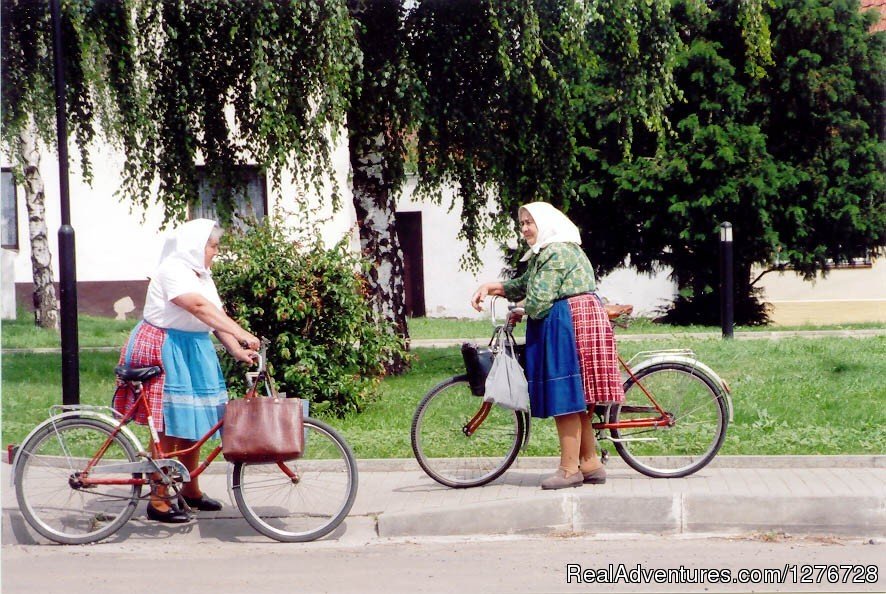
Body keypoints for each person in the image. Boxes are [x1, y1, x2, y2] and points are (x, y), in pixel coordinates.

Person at [114, 218, 260, 522]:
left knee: (196, 423)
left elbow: (214, 317)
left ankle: (190, 489)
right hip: (166, 346)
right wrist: (243, 332)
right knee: (171, 426)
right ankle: (159, 500)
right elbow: (198, 307)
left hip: (194, 347)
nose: (216, 252)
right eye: (213, 246)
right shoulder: (173, 269)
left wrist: (235, 348)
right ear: (195, 246)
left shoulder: (200, 274)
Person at [471, 202, 624, 490]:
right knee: (573, 395)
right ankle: (590, 463)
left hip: (568, 322)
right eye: (523, 223)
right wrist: (492, 287)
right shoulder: (548, 251)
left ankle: (569, 470)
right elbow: (525, 284)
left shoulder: (557, 251)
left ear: (546, 223)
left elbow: (540, 299)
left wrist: (519, 309)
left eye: (530, 222)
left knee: (564, 393)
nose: (525, 228)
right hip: (566, 319)